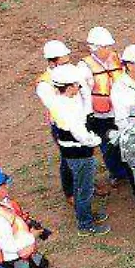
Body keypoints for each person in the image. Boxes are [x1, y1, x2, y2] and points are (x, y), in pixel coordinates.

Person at [45, 65, 110, 235]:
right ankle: (85, 223)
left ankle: (86, 214)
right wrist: (96, 140)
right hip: (79, 153)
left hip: (72, 152)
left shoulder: (60, 101)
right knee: (84, 188)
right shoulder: (67, 108)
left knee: (81, 186)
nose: (78, 87)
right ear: (68, 87)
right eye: (76, 85)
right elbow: (80, 134)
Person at [36, 40, 91, 199]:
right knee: (68, 159)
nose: (68, 65)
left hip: (81, 118)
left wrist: (86, 114)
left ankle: (86, 183)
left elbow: (84, 91)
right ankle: (71, 193)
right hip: (64, 125)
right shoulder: (45, 84)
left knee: (86, 154)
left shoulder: (71, 72)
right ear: (52, 62)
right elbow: (57, 107)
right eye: (63, 62)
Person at [82, 27, 129, 192]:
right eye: (105, 47)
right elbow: (85, 93)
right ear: (95, 48)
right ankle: (116, 173)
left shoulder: (116, 59)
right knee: (108, 147)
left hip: (119, 111)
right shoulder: (85, 67)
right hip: (101, 116)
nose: (109, 50)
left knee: (124, 140)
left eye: (109, 46)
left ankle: (127, 168)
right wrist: (89, 116)